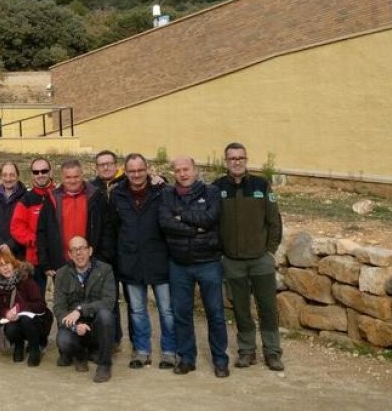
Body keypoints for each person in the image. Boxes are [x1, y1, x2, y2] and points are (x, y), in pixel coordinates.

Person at [214, 142, 284, 371]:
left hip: (260, 260)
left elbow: (275, 222)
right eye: (232, 158)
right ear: (226, 161)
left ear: (246, 160)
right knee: (241, 309)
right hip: (232, 262)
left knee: (267, 308)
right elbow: (212, 222)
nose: (236, 162)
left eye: (240, 158)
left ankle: (272, 352)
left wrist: (270, 252)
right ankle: (246, 351)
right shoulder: (217, 187)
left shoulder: (261, 185)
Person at [159, 156, 229, 377]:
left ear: (195, 170)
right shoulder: (167, 194)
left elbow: (209, 218)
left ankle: (220, 360)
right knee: (182, 313)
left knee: (216, 313)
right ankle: (187, 358)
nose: (182, 173)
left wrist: (180, 216)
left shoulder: (212, 192)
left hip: (208, 262)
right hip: (179, 264)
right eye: (178, 170)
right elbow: (165, 222)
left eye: (186, 169)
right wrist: (193, 229)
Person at [107, 153, 175, 369]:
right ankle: (142, 350)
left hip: (159, 259)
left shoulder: (162, 192)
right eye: (132, 171)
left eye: (140, 170)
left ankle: (169, 351)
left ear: (147, 170)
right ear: (125, 172)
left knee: (167, 310)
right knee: (137, 310)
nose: (136, 175)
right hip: (131, 261)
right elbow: (114, 228)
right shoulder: (117, 195)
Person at [36, 160, 112, 288]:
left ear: (82, 175)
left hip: (92, 264)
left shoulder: (96, 197)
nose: (72, 181)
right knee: (66, 305)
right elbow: (42, 232)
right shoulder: (52, 199)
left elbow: (107, 230)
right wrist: (46, 263)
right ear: (62, 177)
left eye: (76, 176)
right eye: (68, 177)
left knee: (93, 304)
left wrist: (103, 259)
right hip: (62, 264)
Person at [52, 236, 117, 383]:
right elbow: (58, 308)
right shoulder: (62, 274)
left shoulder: (105, 270)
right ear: (69, 254)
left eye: (82, 248)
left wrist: (80, 310)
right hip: (75, 327)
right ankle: (80, 354)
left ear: (90, 251)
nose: (78, 253)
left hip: (95, 324)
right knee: (63, 341)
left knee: (106, 316)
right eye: (74, 250)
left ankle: (104, 365)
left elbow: (108, 302)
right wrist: (75, 326)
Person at [0, 249, 51, 367]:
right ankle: (18, 345)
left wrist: (20, 309)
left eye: (8, 263)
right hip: (13, 320)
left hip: (35, 319)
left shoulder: (26, 280)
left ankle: (34, 348)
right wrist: (7, 313)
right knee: (10, 327)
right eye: (1, 265)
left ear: (13, 264)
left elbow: (41, 305)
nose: (5, 267)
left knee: (26, 320)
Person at [9, 157, 55, 293]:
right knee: (37, 301)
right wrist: (35, 240)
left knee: (66, 302)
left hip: (59, 258)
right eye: (36, 172)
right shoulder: (27, 199)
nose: (40, 175)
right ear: (32, 175)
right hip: (35, 259)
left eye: (44, 171)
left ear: (51, 172)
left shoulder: (59, 195)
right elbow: (16, 227)